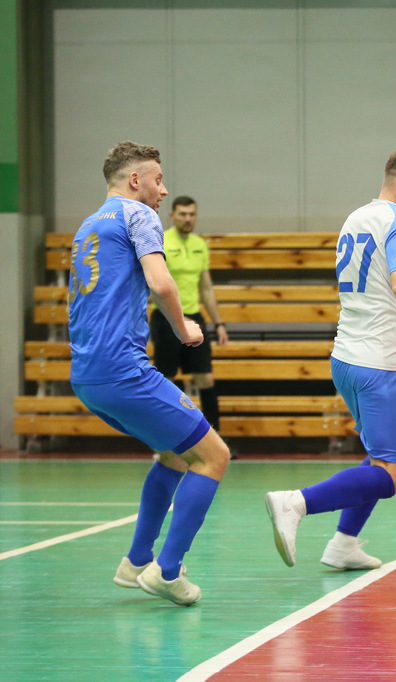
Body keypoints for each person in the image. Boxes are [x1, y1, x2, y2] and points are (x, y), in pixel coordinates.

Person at [265, 145, 396, 570]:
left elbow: (376, 288)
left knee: (380, 455)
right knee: (394, 476)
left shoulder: (357, 218)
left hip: (346, 359)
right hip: (381, 365)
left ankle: (344, 544)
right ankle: (296, 503)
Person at [68, 141, 230, 606]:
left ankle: (137, 560)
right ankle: (167, 571)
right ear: (135, 180)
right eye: (158, 180)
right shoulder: (136, 214)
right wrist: (185, 329)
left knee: (175, 455)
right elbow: (161, 283)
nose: (163, 190)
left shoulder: (88, 225)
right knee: (213, 456)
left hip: (87, 376)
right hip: (123, 371)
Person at [149, 195, 234, 457]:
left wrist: (219, 323)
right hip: (166, 318)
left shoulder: (199, 245)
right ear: (172, 215)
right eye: (183, 214)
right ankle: (166, 445)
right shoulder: (160, 241)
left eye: (192, 214)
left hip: (194, 317)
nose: (188, 219)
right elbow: (153, 283)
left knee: (205, 378)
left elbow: (206, 288)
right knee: (166, 381)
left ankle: (215, 443)